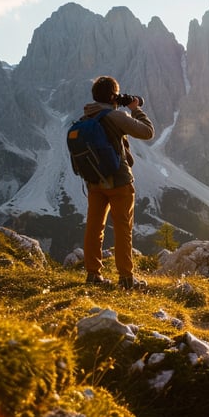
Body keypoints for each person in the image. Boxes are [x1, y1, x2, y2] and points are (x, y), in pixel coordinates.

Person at [81, 76, 154, 290]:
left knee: (94, 227)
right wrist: (135, 108)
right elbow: (147, 132)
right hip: (119, 182)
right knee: (123, 228)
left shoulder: (86, 118)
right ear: (114, 96)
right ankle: (126, 278)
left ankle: (93, 274)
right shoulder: (115, 116)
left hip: (95, 182)